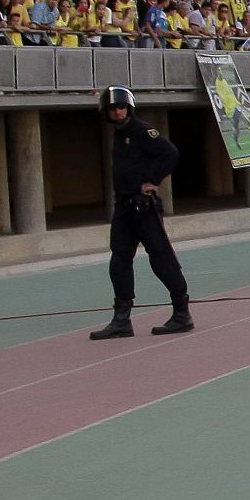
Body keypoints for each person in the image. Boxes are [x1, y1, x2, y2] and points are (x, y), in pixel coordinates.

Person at [89, 86, 194, 340]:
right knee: (119, 261)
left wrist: (152, 180)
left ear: (130, 107)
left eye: (121, 106)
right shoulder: (118, 134)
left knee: (161, 258)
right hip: (123, 208)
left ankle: (182, 313)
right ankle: (122, 319)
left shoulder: (143, 131)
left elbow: (170, 153)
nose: (118, 111)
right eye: (113, 108)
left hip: (143, 206)